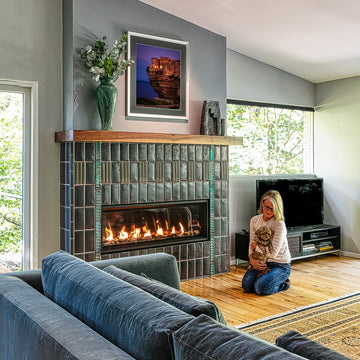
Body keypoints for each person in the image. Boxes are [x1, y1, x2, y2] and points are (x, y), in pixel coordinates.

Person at [242, 190, 291, 295]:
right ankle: (268, 279)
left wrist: (257, 246)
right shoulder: (254, 220)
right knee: (247, 286)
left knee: (260, 288)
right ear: (262, 205)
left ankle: (284, 283)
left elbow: (272, 253)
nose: (268, 211)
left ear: (277, 209)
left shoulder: (279, 224)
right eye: (266, 207)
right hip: (262, 261)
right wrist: (251, 259)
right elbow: (251, 244)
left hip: (280, 264)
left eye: (272, 209)